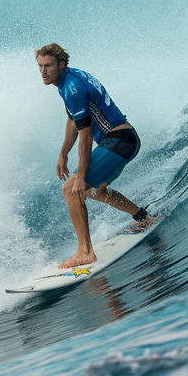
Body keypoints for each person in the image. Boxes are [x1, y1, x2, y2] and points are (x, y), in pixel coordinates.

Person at [36, 43, 153, 269]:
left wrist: (80, 176)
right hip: (124, 140)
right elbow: (73, 120)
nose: (43, 71)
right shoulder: (68, 81)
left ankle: (85, 252)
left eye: (48, 65)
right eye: (40, 66)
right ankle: (143, 217)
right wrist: (63, 154)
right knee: (96, 190)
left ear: (61, 64)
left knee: (71, 189)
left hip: (119, 141)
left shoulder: (72, 88)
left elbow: (86, 135)